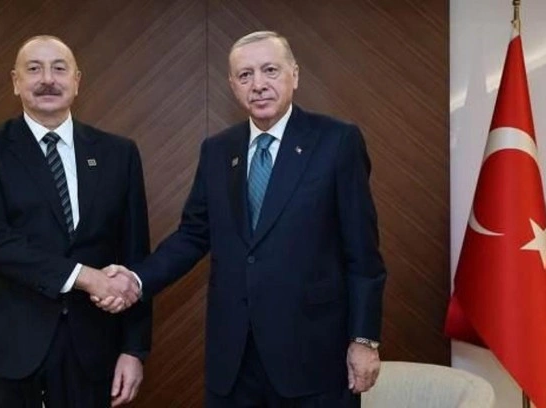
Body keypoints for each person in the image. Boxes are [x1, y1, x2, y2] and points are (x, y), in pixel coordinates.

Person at [96, 31, 387, 407]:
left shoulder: (337, 141)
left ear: (295, 75)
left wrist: (364, 339)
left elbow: (363, 252)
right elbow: (193, 235)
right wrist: (136, 280)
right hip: (233, 361)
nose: (259, 84)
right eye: (245, 75)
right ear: (233, 85)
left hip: (312, 357)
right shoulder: (218, 150)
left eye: (270, 70)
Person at [0, 35, 149, 408]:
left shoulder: (118, 153)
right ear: (15, 82)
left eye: (59, 68)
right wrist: (85, 276)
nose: (47, 79)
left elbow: (134, 252)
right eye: (34, 69)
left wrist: (134, 349)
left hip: (91, 349)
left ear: (77, 81)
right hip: (5, 347)